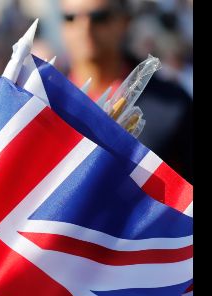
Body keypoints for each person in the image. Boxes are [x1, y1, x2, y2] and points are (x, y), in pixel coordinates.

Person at [60, 0, 193, 182]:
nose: (84, 27)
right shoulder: (46, 99)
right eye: (70, 18)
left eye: (99, 17)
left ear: (124, 22)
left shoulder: (172, 105)